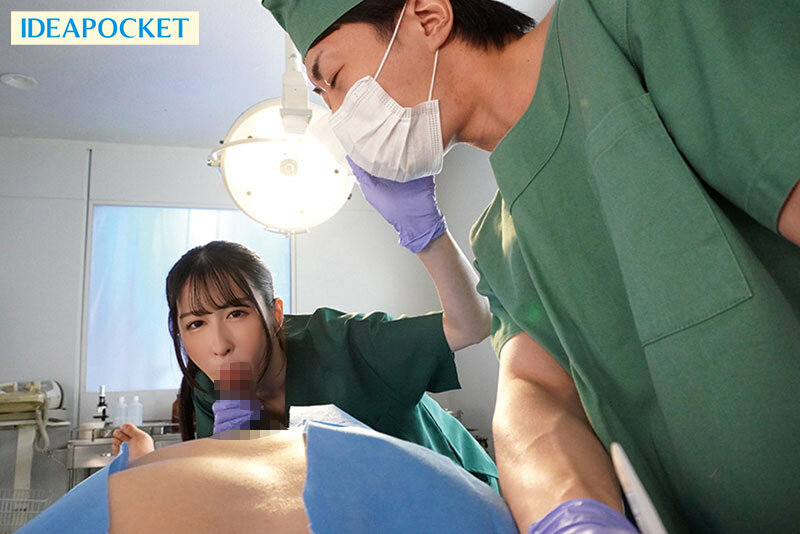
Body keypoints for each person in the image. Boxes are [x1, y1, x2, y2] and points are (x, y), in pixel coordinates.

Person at [257, 0, 800, 532]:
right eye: (324, 98)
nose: (339, 122)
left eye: (334, 79)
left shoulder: (628, 22)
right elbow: (537, 400)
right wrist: (571, 516)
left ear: (428, 17)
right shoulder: (500, 242)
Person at [148, 240, 499, 489]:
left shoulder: (345, 343)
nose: (220, 345)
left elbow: (471, 325)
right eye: (196, 323)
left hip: (451, 490)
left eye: (236, 313)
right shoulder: (209, 387)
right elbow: (247, 493)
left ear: (275, 315)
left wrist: (427, 234)